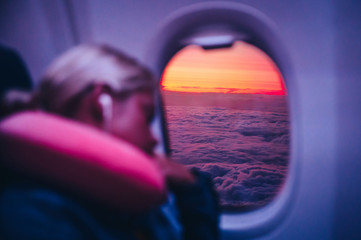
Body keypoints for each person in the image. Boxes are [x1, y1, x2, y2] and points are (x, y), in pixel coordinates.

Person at [0, 44, 219, 240]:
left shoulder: (120, 196)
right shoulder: (34, 216)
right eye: (146, 116)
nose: (154, 139)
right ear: (100, 102)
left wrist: (193, 189)